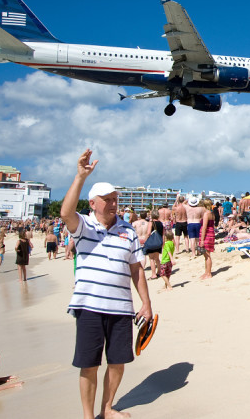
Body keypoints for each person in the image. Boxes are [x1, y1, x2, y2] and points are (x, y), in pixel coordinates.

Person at [61, 149, 152, 419]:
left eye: (115, 199)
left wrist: (146, 303)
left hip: (122, 307)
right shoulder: (84, 226)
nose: (113, 204)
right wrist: (80, 177)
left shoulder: (128, 230)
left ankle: (107, 408)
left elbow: (137, 270)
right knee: (89, 364)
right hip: (89, 306)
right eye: (107, 200)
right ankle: (89, 416)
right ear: (93, 203)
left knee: (117, 362)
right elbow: (66, 213)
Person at [198, 199, 215, 279]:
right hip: (211, 233)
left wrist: (201, 240)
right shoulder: (212, 214)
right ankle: (207, 272)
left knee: (207, 255)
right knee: (206, 255)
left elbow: (204, 227)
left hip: (207, 235)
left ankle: (208, 274)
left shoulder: (206, 214)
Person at [145, 211, 164, 280]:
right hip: (158, 242)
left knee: (151, 259)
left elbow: (148, 233)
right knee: (157, 258)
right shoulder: (160, 223)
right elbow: (163, 234)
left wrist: (145, 241)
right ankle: (159, 272)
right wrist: (163, 243)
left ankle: (153, 274)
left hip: (152, 242)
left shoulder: (151, 223)